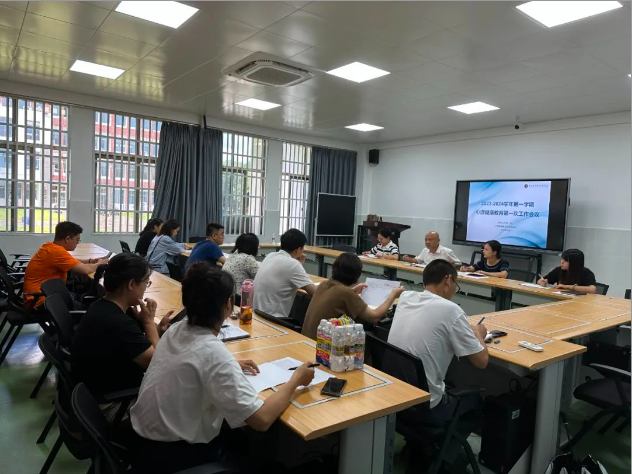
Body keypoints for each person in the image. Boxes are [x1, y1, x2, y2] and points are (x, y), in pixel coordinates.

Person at [130, 263, 315, 473]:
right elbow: (261, 420)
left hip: (143, 444)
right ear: (228, 305)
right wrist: (296, 380)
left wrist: (230, 364)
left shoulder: (176, 329)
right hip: (175, 456)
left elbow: (193, 360)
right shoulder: (212, 353)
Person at [71, 253, 173, 421]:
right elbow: (158, 364)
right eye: (146, 283)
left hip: (95, 395)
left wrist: (157, 331)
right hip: (112, 405)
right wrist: (149, 323)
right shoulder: (118, 322)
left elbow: (133, 346)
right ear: (132, 284)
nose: (146, 288)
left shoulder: (102, 306)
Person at [388, 259, 489, 421]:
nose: (455, 289)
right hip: (427, 406)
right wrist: (478, 333)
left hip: (396, 395)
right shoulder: (452, 310)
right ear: (448, 280)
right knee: (477, 400)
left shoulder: (406, 297)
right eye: (455, 283)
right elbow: (482, 361)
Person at [302, 253, 404, 340]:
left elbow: (338, 295)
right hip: (322, 346)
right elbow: (375, 317)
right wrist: (393, 295)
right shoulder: (346, 293)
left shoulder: (324, 284)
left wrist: (353, 290)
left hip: (308, 339)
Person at [23, 221, 109, 308]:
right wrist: (100, 264)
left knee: (84, 299)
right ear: (67, 239)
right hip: (41, 301)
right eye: (77, 240)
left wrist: (91, 261)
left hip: (45, 296)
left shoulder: (49, 247)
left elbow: (72, 261)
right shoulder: (57, 252)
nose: (78, 243)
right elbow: (84, 270)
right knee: (89, 308)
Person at [253, 228, 316, 319]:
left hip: (256, 314)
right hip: (272, 319)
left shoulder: (271, 255)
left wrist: (297, 263)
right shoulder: (293, 264)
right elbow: (315, 293)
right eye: (303, 248)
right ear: (298, 249)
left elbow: (285, 273)